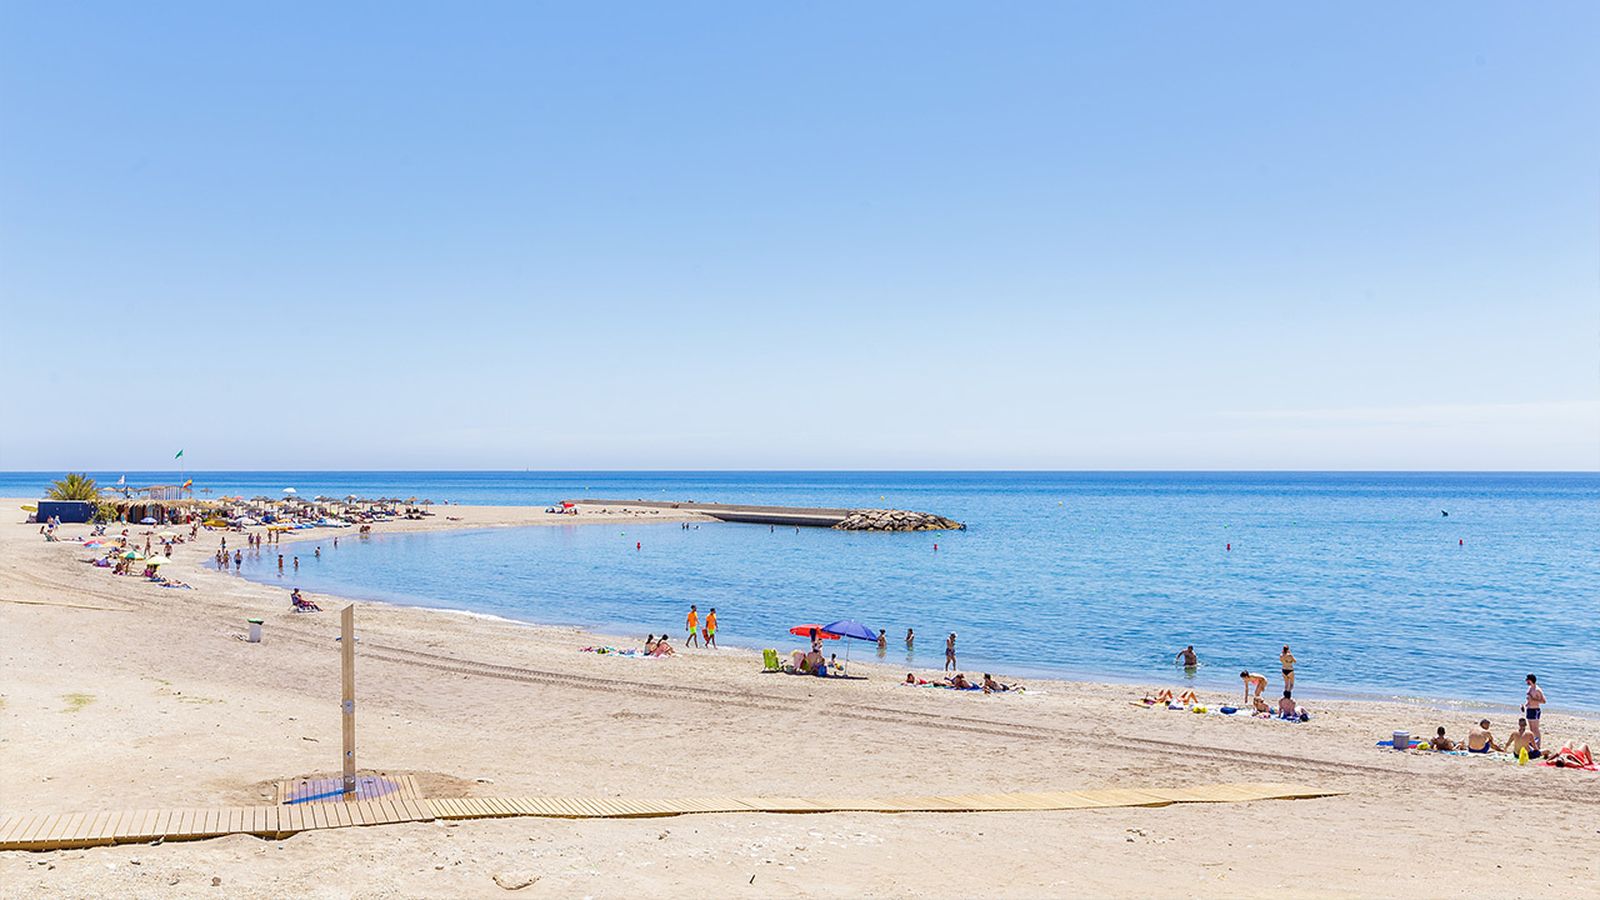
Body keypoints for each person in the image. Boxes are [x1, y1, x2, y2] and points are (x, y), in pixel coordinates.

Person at [1523, 674, 1545, 749]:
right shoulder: (1530, 688)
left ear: (1530, 680)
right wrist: (1525, 705)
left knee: (1535, 729)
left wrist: (1533, 699)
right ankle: (1533, 743)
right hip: (1529, 709)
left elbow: (1543, 701)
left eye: (1527, 680)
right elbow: (1529, 700)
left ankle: (1538, 745)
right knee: (1531, 729)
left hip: (1535, 710)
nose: (1526, 681)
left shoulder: (1537, 690)